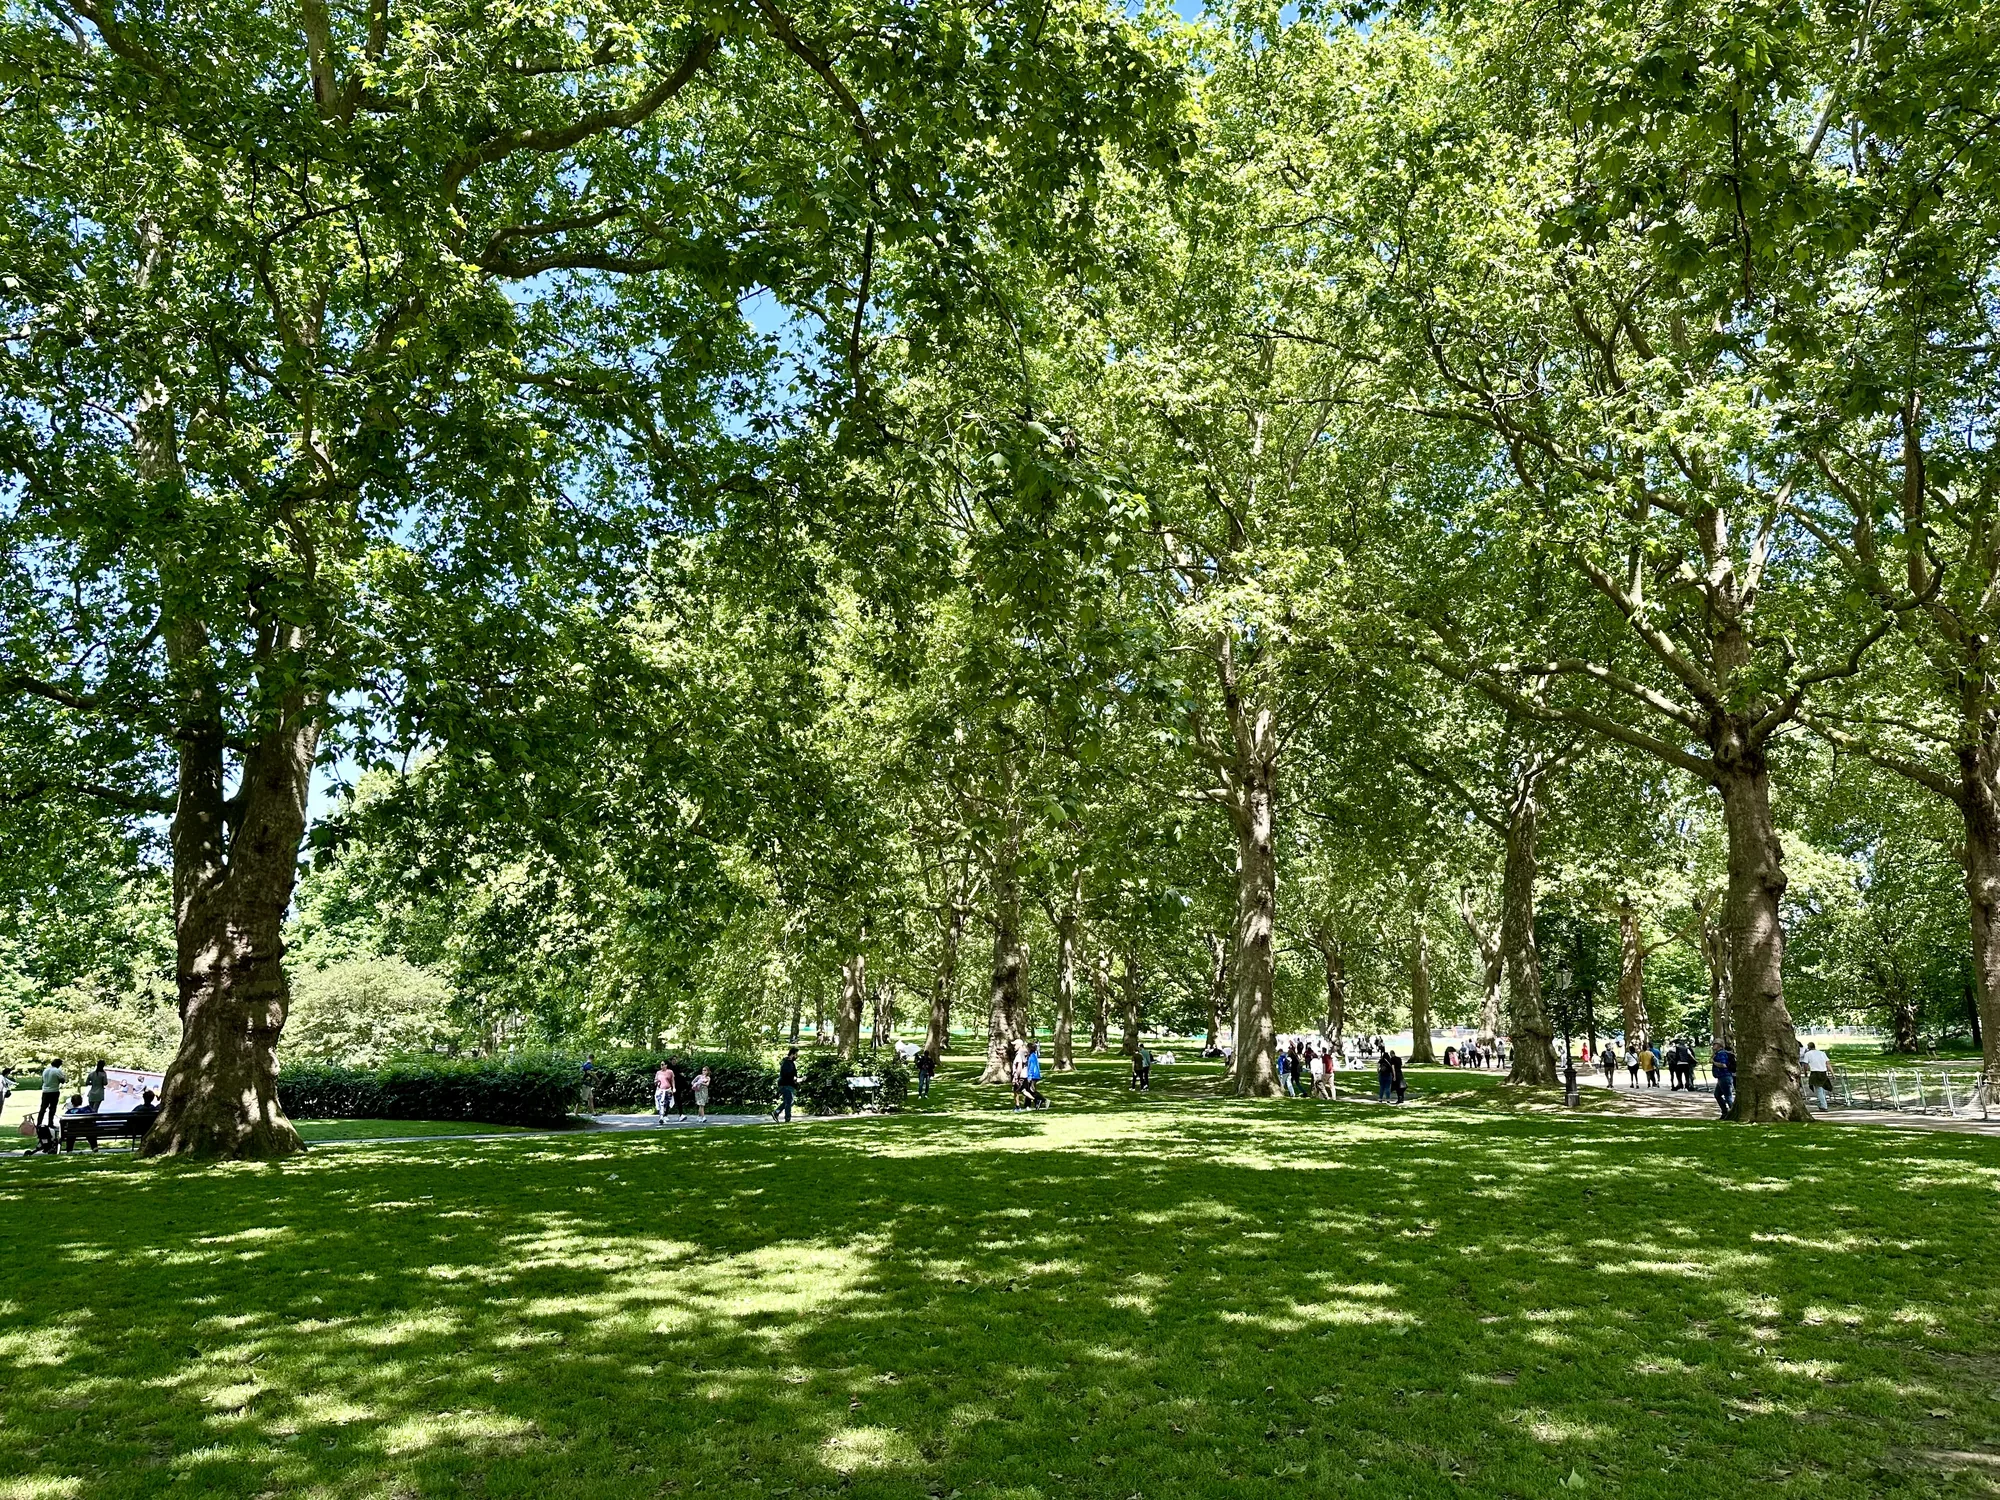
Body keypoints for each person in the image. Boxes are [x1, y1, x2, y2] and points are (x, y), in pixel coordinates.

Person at [1802, 1041, 1832, 1111]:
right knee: (1822, 1089)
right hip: (1823, 1072)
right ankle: (1823, 1104)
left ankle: (1824, 1106)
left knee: (1819, 1090)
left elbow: (1805, 1065)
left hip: (1815, 1072)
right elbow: (1827, 1063)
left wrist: (1805, 1072)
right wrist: (1831, 1072)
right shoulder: (1822, 1053)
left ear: (1809, 1047)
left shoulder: (1808, 1054)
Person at [36, 1058, 64, 1131]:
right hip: (54, 1091)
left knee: (43, 1108)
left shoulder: (45, 1070)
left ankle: (39, 1123)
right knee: (52, 1108)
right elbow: (62, 1080)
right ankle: (50, 1123)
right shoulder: (57, 1071)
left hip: (45, 1091)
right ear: (58, 1064)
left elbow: (43, 1080)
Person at [1711, 1042, 1737, 1118]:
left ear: (1719, 1045)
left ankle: (1732, 1113)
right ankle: (1725, 1112)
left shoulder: (1721, 1054)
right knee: (1717, 1095)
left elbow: (1723, 1065)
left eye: (1714, 1044)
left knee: (1728, 1096)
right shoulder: (1717, 1053)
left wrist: (1714, 1062)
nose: (1713, 1046)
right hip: (1721, 1077)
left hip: (1725, 1077)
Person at [774, 1047, 799, 1122]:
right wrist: (794, 1078)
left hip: (788, 1084)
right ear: (792, 1054)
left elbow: (793, 1074)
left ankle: (776, 1112)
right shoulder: (786, 1063)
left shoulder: (790, 1063)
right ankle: (787, 1119)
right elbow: (786, 1074)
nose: (797, 1056)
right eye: (796, 1054)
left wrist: (797, 1079)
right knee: (789, 1101)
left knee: (789, 1101)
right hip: (785, 1084)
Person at [1024, 1042, 1045, 1109]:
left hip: (1033, 1076)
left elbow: (1031, 1067)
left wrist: (1029, 1076)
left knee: (1031, 1090)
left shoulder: (1032, 1057)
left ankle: (1042, 1099)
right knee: (1029, 1090)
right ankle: (1029, 1104)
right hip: (1035, 1075)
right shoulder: (1033, 1056)